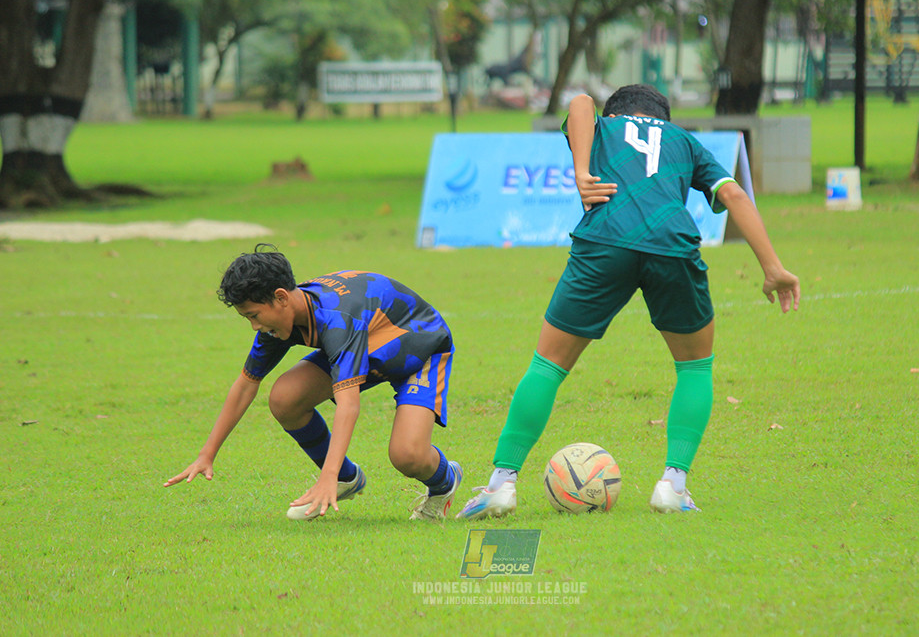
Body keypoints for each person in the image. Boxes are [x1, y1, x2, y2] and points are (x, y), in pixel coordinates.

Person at [457, 84, 799, 519]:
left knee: (548, 364)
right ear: (664, 118)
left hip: (605, 238)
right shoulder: (683, 141)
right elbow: (732, 194)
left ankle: (501, 484)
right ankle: (673, 485)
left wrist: (582, 172)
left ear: (615, 115)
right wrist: (772, 267)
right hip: (671, 243)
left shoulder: (603, 127)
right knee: (695, 366)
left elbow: (580, 102)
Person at [165, 244, 462, 521]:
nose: (255, 326)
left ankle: (445, 483)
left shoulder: (338, 320)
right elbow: (245, 385)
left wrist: (325, 476)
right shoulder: (282, 322)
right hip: (367, 344)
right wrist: (207, 454)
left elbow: (348, 405)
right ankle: (347, 478)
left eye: (254, 315)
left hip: (418, 347)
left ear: (281, 297)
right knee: (285, 397)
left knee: (407, 455)